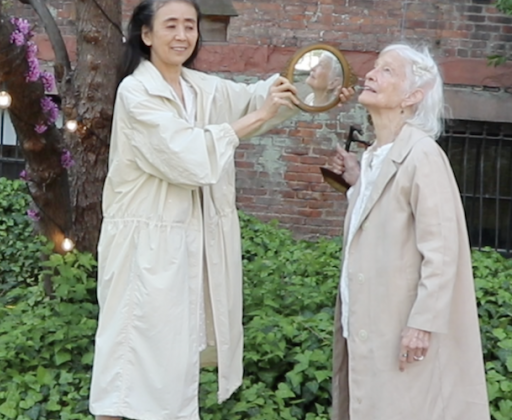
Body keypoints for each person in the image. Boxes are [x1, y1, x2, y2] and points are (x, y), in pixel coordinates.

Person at [89, 1, 351, 419]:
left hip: (188, 246)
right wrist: (259, 115)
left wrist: (316, 89)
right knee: (126, 365)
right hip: (143, 249)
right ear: (146, 35)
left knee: (175, 366)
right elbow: (186, 154)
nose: (182, 35)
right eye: (171, 26)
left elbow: (255, 99)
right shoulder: (136, 93)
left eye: (189, 26)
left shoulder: (200, 88)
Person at [326, 43, 490, 420]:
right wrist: (357, 182)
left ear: (414, 95)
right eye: (375, 67)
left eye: (387, 71)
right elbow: (382, 218)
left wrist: (422, 324)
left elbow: (442, 250)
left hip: (400, 328)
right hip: (367, 323)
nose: (370, 74)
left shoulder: (423, 155)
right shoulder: (374, 156)